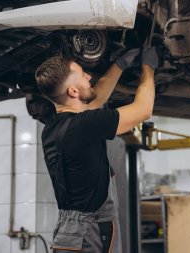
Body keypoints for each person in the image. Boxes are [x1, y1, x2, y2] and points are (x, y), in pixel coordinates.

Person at [35, 47, 159, 253]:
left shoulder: (52, 128)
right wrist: (148, 68)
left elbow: (95, 100)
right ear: (73, 92)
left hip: (67, 232)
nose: (89, 76)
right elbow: (143, 109)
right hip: (90, 229)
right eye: (83, 76)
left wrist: (119, 66)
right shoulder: (85, 125)